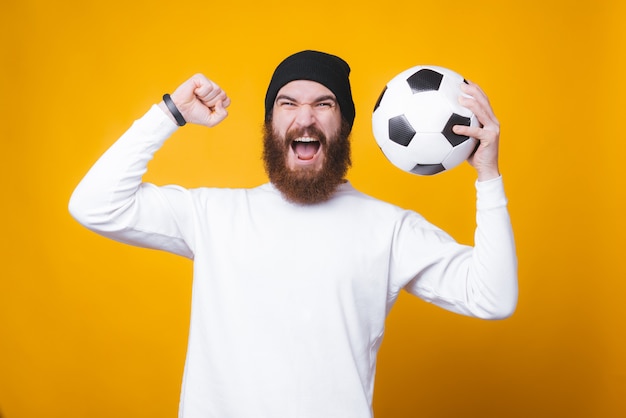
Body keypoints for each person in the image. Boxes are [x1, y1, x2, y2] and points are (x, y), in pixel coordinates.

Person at [69, 50, 517, 418]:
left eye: (324, 104)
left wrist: (488, 175)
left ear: (343, 127)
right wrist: (169, 115)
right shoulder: (214, 215)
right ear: (270, 126)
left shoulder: (389, 229)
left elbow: (492, 297)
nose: (306, 119)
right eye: (288, 103)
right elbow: (93, 204)